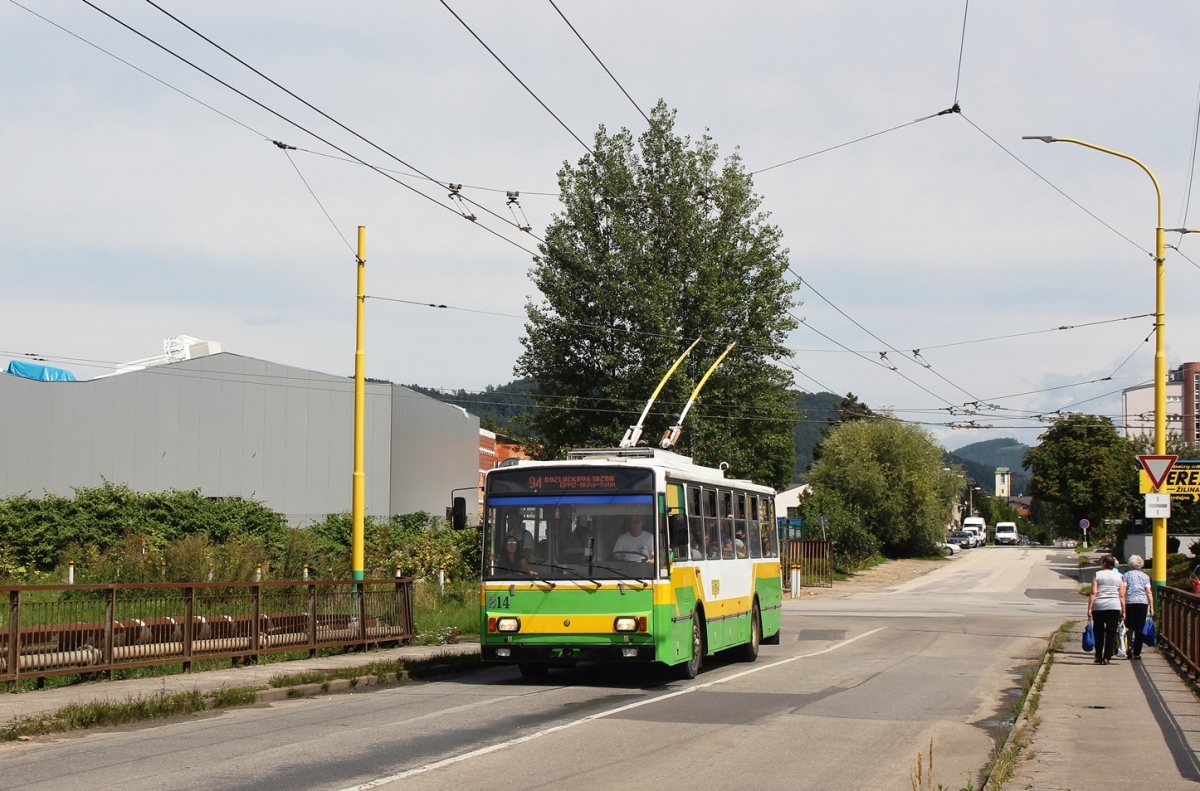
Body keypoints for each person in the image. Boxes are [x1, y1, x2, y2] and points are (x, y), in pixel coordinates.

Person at [1087, 554, 1126, 665]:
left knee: (1098, 631)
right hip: (1114, 606)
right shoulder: (1119, 576)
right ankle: (1107, 657)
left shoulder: (1097, 574)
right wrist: (1124, 610)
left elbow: (1094, 592)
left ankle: (1098, 655)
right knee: (1111, 632)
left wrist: (1090, 607)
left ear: (1104, 564)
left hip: (1099, 606)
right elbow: (1122, 595)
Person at [1123, 554, 1154, 660]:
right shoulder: (1145, 577)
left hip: (1129, 602)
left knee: (1129, 626)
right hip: (1142, 603)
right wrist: (1152, 606)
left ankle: (1129, 646)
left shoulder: (1126, 576)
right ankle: (1137, 652)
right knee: (1139, 628)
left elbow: (1124, 591)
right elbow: (1149, 592)